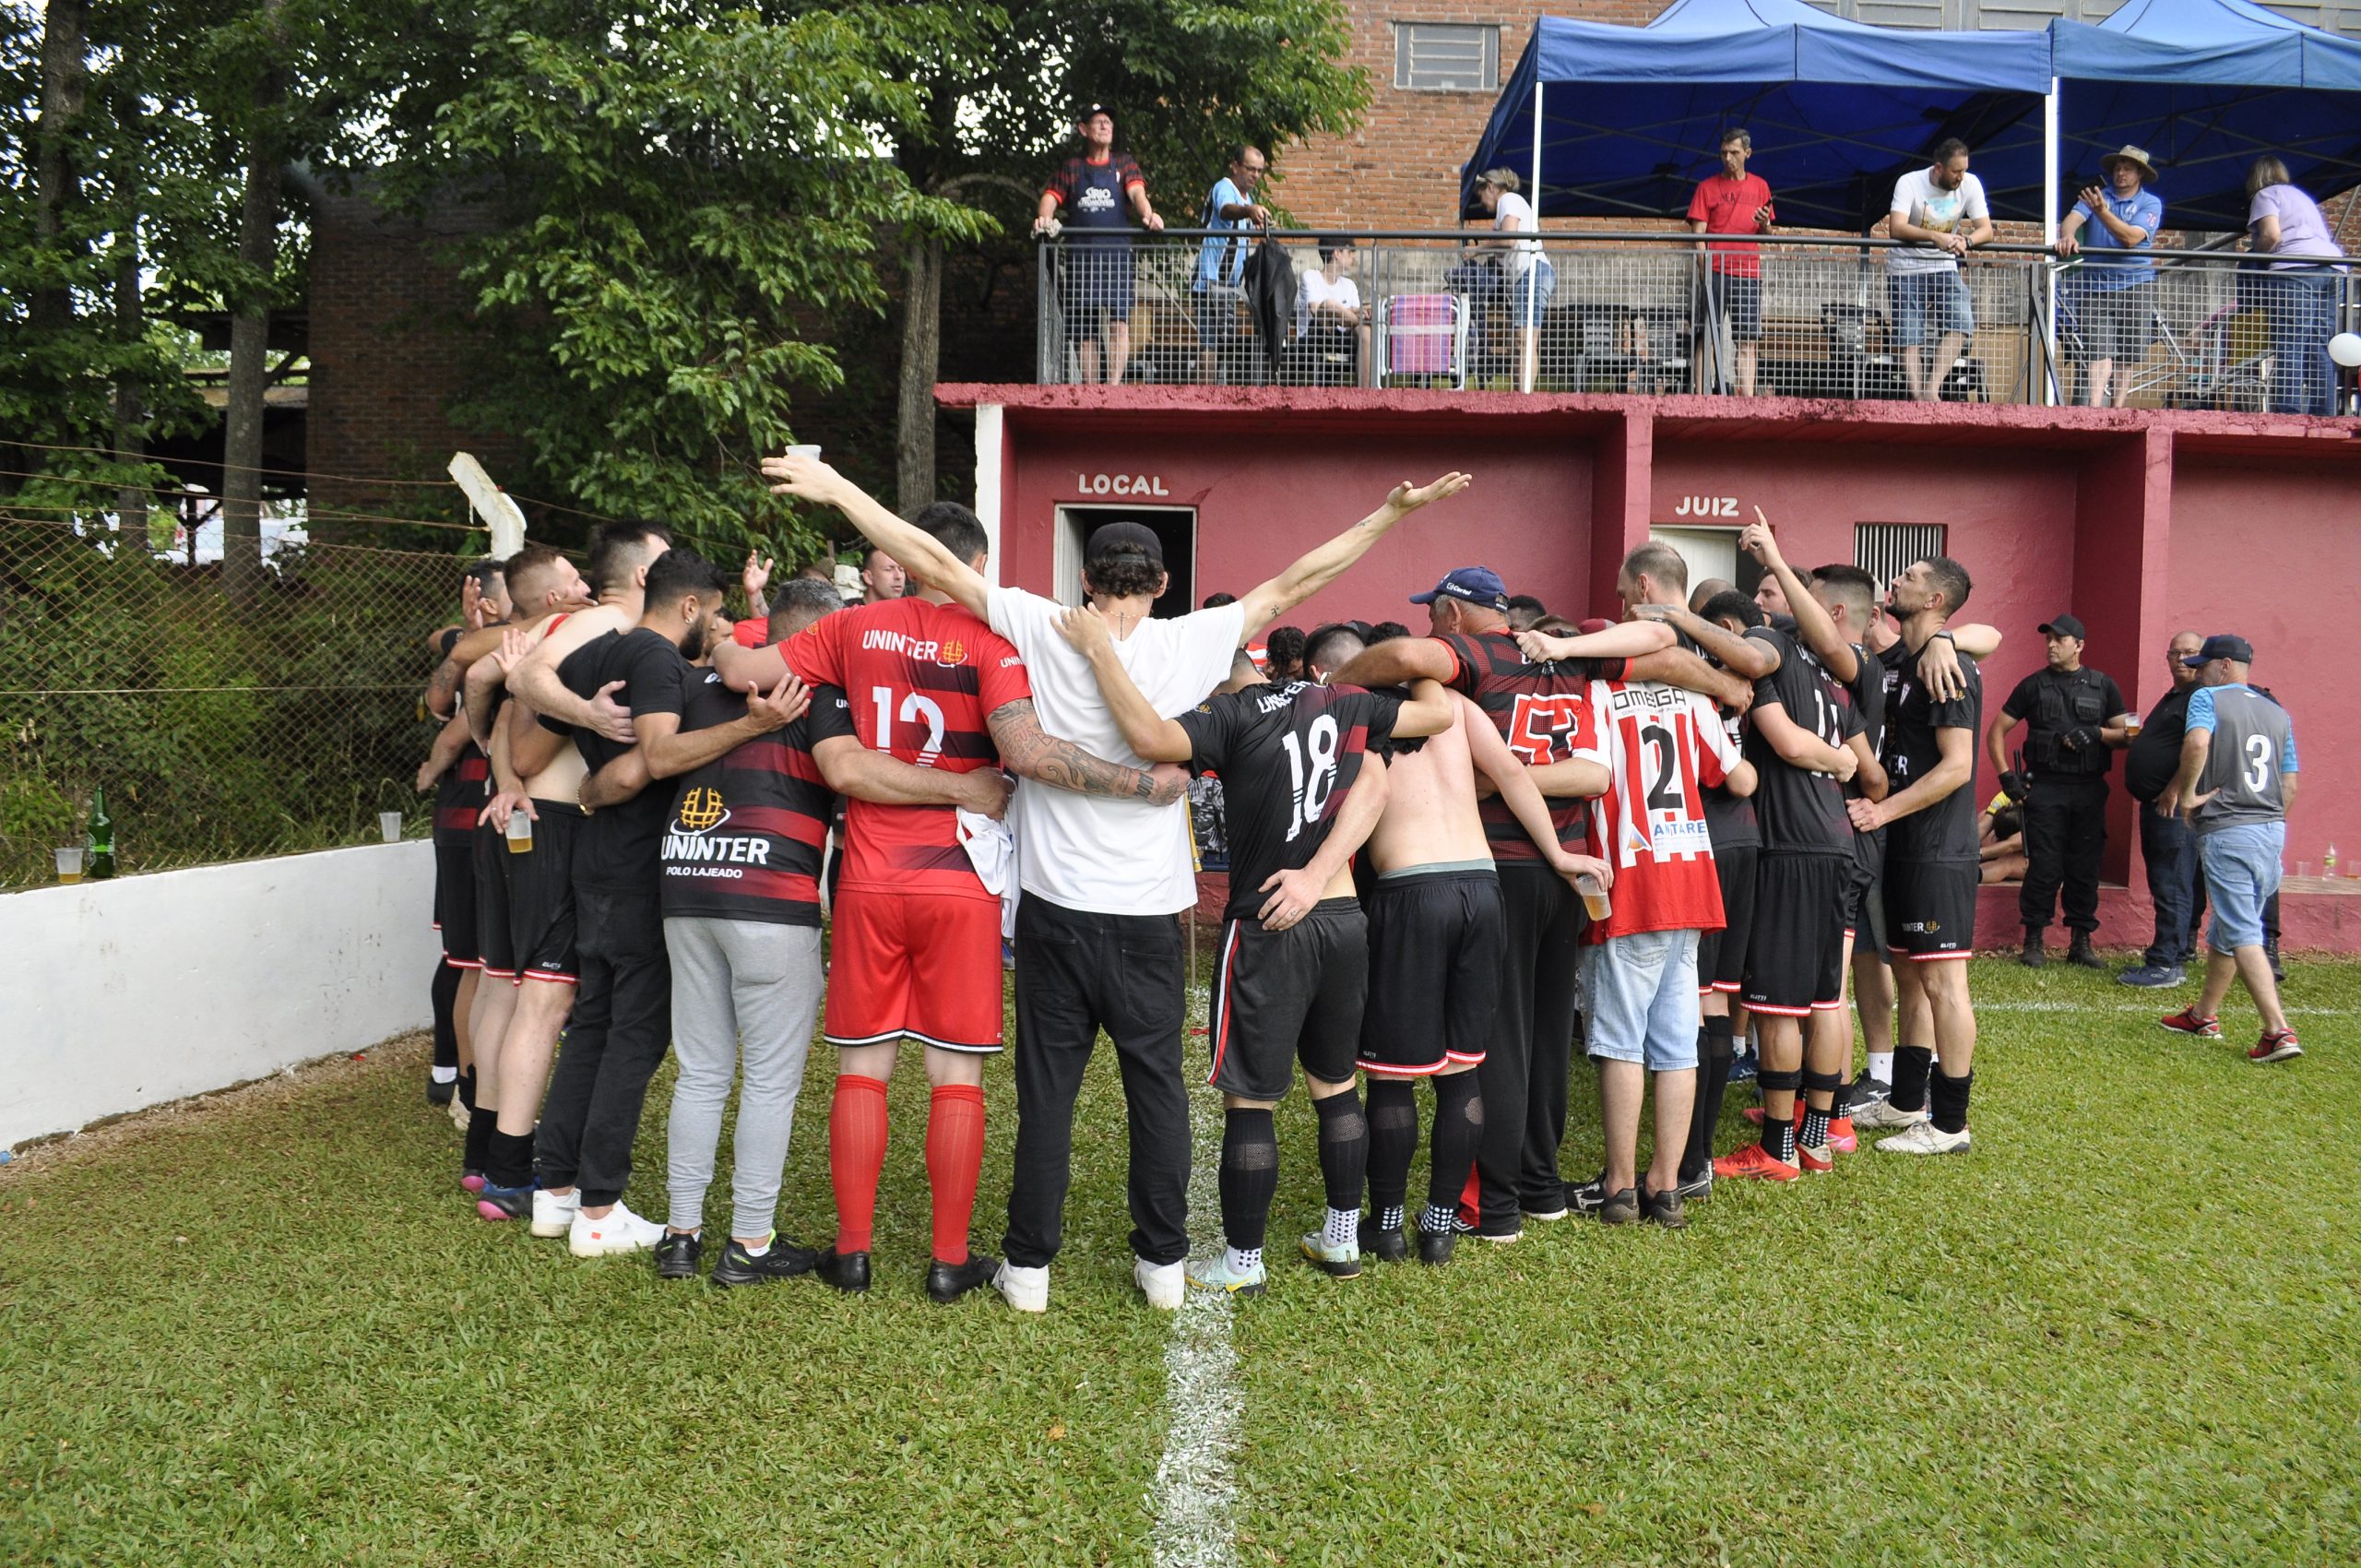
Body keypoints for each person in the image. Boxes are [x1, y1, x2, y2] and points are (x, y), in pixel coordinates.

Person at [762, 449, 1471, 1313]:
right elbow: (1298, 579)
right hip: (1150, 913)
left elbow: (934, 562)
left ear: (1086, 580)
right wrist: (1390, 515)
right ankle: (1162, 1266)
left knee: (1048, 1097)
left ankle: (1029, 1270)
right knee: (1156, 1091)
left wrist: (840, 487)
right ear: (1164, 582)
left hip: (1055, 907)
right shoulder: (1192, 639)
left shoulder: (1039, 621)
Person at [722, 482, 1186, 1303]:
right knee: (955, 1075)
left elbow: (739, 669)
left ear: (904, 562)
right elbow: (1026, 750)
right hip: (963, 878)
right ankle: (948, 1260)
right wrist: (1139, 785)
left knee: (863, 1066)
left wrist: (740, 631)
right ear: (978, 564)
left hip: (869, 874)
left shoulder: (851, 626)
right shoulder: (995, 638)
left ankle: (853, 1254)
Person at [1064, 608, 1454, 1298]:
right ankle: (1341, 1238)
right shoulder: (1345, 699)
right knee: (1335, 1084)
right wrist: (1415, 659)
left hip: (1269, 921)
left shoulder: (1232, 712)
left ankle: (1243, 1263)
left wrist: (1098, 650)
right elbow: (1437, 716)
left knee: (1249, 1101)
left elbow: (1148, 736)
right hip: (1342, 917)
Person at [1332, 572, 1732, 1241]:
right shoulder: (1568, 660)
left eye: (1435, 616)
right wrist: (1570, 649)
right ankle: (1541, 1185)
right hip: (1566, 866)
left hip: (1500, 864)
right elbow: (1659, 643)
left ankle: (1496, 1202)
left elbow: (1402, 655)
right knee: (1548, 1035)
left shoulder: (1478, 655)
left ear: (1453, 614)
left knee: (1501, 1040)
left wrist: (1334, 682)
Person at [517, 550, 806, 1256]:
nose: (718, 627)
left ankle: (556, 1193)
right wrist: (751, 726)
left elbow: (532, 710)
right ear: (689, 605)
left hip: (597, 857)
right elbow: (656, 757)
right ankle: (598, 1209)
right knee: (634, 1036)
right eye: (715, 613)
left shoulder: (599, 651)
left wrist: (589, 780)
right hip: (636, 867)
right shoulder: (653, 657)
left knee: (593, 1024)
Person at [473, 523, 671, 1234]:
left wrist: (500, 770)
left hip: (525, 821)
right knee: (547, 1003)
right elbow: (510, 682)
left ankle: (491, 1157)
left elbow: (491, 689)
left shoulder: (567, 627)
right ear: (644, 576)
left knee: (508, 987)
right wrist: (582, 718)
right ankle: (510, 1173)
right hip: (555, 827)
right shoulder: (603, 624)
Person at [1548, 632, 1755, 1224]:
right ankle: (1665, 1187)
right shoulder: (1693, 698)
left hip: (1631, 881)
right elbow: (1741, 779)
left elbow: (1591, 776)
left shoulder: (1596, 692)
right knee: (1677, 1044)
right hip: (1690, 877)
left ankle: (1618, 1187)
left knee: (1620, 1042)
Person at [1709, 564, 1861, 1183]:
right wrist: (1840, 761)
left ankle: (1777, 1149)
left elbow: (1790, 744)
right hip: (1835, 840)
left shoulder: (1768, 649)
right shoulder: (1833, 672)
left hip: (1791, 846)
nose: (1762, 606)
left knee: (1776, 1006)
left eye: (1768, 594)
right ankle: (1818, 1138)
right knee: (1825, 999)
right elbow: (1852, 761)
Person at [1848, 556, 1983, 1156]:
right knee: (1910, 976)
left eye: (1909, 577)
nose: (1896, 580)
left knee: (1944, 983)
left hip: (1937, 850)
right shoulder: (1906, 659)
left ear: (1934, 600)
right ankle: (1906, 1101)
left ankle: (1950, 1125)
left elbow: (1957, 768)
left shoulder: (1949, 668)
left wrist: (1883, 812)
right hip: (1903, 847)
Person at [2159, 635, 2301, 1062]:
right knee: (2230, 924)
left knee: (2242, 929)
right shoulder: (2277, 712)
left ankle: (2277, 1031)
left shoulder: (2207, 699)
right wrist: (2269, 820)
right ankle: (2203, 1015)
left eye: (2203, 665)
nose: (2197, 672)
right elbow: (2290, 782)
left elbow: (2197, 743)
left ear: (2224, 666)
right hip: (2270, 831)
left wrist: (2187, 797)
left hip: (2229, 830)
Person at [1988, 613, 2133, 968]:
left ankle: (2080, 943)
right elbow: (1996, 730)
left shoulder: (2104, 685)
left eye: (2060, 639)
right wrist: (2006, 777)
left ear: (2079, 645)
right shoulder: (2033, 685)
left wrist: (2097, 733)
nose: (2051, 645)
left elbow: (2131, 733)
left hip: (2088, 789)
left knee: (2085, 866)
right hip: (2046, 788)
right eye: (2048, 639)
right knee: (2044, 865)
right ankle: (2033, 940)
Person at [1036, 104, 1165, 386]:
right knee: (1086, 332)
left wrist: (1148, 215)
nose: (1106, 126)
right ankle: (1091, 391)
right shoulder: (1073, 167)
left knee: (1119, 324)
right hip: (1082, 258)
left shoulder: (1124, 164)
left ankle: (1114, 389)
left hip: (1116, 256)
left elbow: (1137, 193)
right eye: (1098, 122)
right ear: (1083, 129)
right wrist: (1044, 219)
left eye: (1108, 121)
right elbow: (1050, 197)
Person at [2119, 630, 2209, 987]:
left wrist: (2175, 790)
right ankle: (2179, 950)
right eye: (2176, 653)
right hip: (2157, 805)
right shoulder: (2175, 696)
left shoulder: (2199, 697)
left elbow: (2199, 748)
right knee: (2172, 881)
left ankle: (2165, 964)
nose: (2182, 659)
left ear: (2203, 658)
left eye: (2190, 653)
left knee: (2171, 883)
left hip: (2172, 808)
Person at [2054, 146, 2164, 409]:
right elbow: (2072, 218)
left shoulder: (2150, 203)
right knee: (2098, 350)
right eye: (2117, 168)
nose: (2120, 173)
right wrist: (2067, 236)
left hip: (2135, 284)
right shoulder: (2097, 197)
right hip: (2095, 286)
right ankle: (2095, 410)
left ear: (2140, 173)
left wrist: (2102, 211)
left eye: (2127, 168)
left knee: (2128, 353)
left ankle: (2117, 410)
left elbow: (2130, 238)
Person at [1887, 138, 1992, 402]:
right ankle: (1918, 397)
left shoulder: (1971, 184)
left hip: (1944, 266)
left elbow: (1986, 229)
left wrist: (1967, 241)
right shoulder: (1909, 182)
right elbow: (1896, 227)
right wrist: (1935, 236)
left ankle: (1931, 390)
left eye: (1964, 170)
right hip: (1906, 268)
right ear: (1938, 168)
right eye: (1956, 171)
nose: (1961, 177)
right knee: (1909, 333)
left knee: (1962, 322)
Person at [2244, 156, 2347, 417]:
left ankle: (2287, 412)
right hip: (2334, 267)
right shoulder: (2301, 197)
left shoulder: (2265, 195)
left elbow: (2271, 234)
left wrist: (2258, 254)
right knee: (2320, 345)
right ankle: (2324, 413)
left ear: (2255, 178)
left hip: (2296, 268)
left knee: (2290, 341)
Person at [1687, 128, 1775, 397]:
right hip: (1715, 271)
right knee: (1707, 336)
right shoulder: (1706, 187)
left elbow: (1767, 234)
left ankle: (1747, 400)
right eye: (1723, 152)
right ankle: (1701, 399)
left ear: (1747, 153)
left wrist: (1765, 224)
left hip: (1748, 272)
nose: (1728, 158)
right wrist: (1704, 272)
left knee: (1747, 340)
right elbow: (1697, 235)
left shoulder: (1760, 186)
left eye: (1734, 152)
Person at [1194, 145, 1270, 384]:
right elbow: (1226, 211)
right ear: (1235, 166)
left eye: (1259, 171)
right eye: (1250, 169)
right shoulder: (1225, 187)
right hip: (1209, 281)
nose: (1255, 175)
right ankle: (1204, 396)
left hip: (1229, 286)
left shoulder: (1249, 200)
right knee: (1211, 343)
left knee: (1225, 343)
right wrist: (1249, 211)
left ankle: (1220, 393)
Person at [1474, 168, 1553, 392]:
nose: (1483, 204)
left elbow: (1509, 239)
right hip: (1526, 276)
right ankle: (1520, 395)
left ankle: (1525, 397)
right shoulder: (1507, 207)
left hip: (1531, 273)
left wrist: (1478, 249)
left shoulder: (1508, 200)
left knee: (1525, 340)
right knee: (1519, 341)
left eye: (1481, 196)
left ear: (1490, 187)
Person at [1298, 236, 1369, 386]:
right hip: (1314, 335)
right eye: (1349, 253)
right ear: (1337, 253)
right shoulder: (1311, 276)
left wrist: (1356, 313)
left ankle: (1366, 392)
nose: (1353, 257)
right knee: (1329, 305)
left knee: (1366, 331)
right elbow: (1316, 309)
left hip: (1343, 336)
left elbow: (1356, 311)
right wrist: (1351, 313)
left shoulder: (1349, 285)